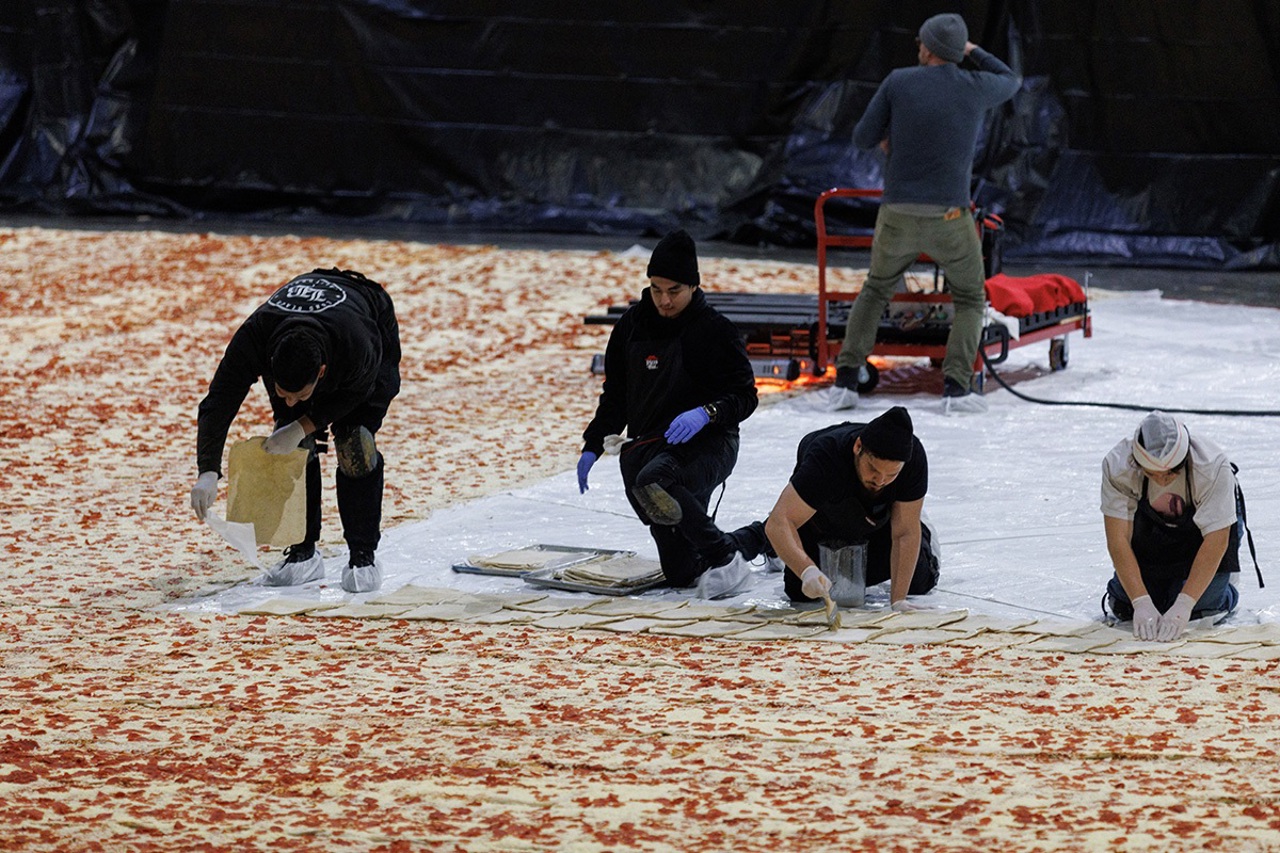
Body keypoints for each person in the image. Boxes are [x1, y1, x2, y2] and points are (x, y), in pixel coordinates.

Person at [829, 13, 1020, 415]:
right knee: (970, 297)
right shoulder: (974, 86)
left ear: (928, 48)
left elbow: (862, 137)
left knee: (876, 288)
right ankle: (955, 387)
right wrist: (971, 51)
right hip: (950, 219)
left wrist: (888, 138)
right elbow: (1010, 78)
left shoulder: (898, 81)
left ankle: (845, 382)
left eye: (922, 42)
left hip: (897, 214)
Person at [190, 268, 402, 594]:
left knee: (353, 441)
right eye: (282, 392)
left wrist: (305, 422)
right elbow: (219, 401)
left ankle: (363, 556)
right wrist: (208, 470)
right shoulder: (255, 337)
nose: (289, 400)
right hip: (298, 323)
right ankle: (303, 551)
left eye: (299, 394)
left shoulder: (357, 343)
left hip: (368, 313)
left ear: (321, 373)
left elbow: (357, 392)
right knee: (294, 443)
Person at [578, 230, 760, 598]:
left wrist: (706, 413)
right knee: (682, 571)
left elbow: (745, 397)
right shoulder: (631, 327)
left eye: (674, 291)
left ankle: (727, 558)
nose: (664, 300)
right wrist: (592, 444)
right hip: (647, 445)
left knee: (654, 481)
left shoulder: (715, 330)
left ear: (693, 285)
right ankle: (761, 537)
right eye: (657, 289)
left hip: (706, 445)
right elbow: (615, 395)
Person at [761, 406, 940, 609]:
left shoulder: (913, 458)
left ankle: (920, 526)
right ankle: (777, 545)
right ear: (858, 447)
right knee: (804, 593)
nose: (880, 480)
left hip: (879, 522)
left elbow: (905, 533)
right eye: (873, 469)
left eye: (891, 475)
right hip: (821, 520)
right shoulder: (826, 457)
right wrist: (806, 569)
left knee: (919, 581)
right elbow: (779, 522)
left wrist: (898, 600)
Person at [1102, 411, 1243, 642]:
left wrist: (1184, 604)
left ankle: (1226, 587)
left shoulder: (1211, 466)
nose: (1163, 481)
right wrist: (1141, 601)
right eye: (1152, 474)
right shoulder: (1119, 466)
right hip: (1150, 531)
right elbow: (1118, 538)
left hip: (1203, 537)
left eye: (1170, 474)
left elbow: (1216, 539)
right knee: (1125, 606)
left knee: (1201, 610)